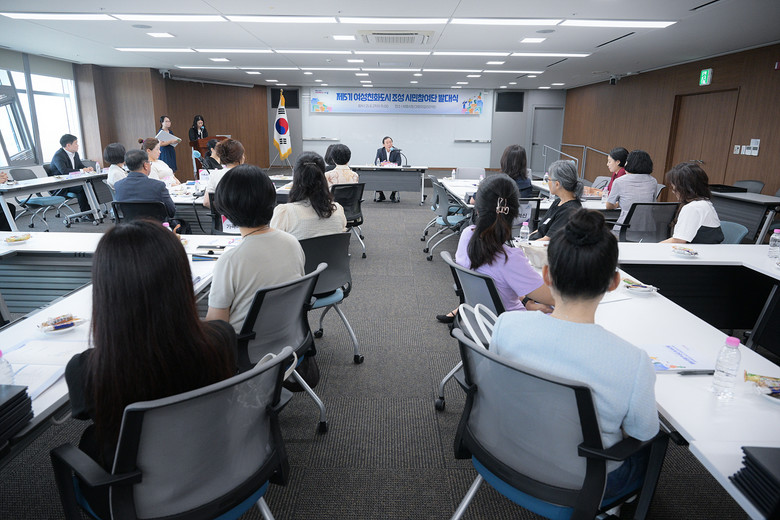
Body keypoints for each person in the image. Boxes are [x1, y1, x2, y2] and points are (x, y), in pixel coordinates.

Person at [64, 220, 236, 518]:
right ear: (182, 278)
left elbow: (83, 413)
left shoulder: (88, 369)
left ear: (106, 290)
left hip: (138, 499)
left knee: (90, 440)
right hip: (216, 468)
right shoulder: (222, 337)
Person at [489, 209, 659, 501]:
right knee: (651, 449)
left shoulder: (506, 325)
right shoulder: (633, 362)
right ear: (614, 282)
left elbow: (498, 389)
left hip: (507, 453)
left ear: (546, 275)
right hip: (580, 483)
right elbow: (643, 433)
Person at [436, 174, 555, 323]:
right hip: (510, 325)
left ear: (477, 209)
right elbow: (553, 299)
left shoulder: (467, 236)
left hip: (481, 321)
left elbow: (501, 285)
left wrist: (526, 302)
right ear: (516, 214)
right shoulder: (510, 258)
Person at [206, 165, 305, 331]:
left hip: (244, 344)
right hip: (288, 336)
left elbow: (216, 326)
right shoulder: (292, 242)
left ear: (226, 206)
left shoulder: (231, 260)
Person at [271, 152, 347, 240]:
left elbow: (273, 243)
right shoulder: (338, 210)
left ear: (295, 177)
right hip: (331, 249)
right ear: (323, 177)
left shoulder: (285, 213)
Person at [661, 162, 724, 244]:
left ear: (684, 187)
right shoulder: (704, 202)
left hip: (699, 251)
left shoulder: (693, 208)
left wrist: (650, 248)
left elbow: (678, 240)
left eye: (674, 187)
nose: (673, 190)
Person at [114, 148, 176, 218]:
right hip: (155, 224)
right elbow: (171, 212)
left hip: (129, 224)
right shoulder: (158, 185)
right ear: (145, 165)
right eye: (150, 163)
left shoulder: (118, 185)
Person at [606, 149, 658, 233]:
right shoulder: (653, 181)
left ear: (629, 163)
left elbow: (609, 205)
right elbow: (653, 204)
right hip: (647, 229)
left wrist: (617, 205)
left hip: (624, 229)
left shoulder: (619, 181)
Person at [531, 160, 583, 241]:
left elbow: (547, 239)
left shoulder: (569, 210)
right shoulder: (558, 202)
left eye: (548, 180)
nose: (548, 183)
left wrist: (523, 245)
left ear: (557, 184)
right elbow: (541, 229)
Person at [49, 133, 93, 213]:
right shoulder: (58, 155)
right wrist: (82, 170)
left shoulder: (75, 154)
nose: (78, 145)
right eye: (76, 143)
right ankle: (86, 213)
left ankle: (93, 210)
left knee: (91, 183)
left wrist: (87, 168)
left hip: (73, 182)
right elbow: (64, 171)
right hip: (62, 185)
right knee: (82, 187)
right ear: (68, 145)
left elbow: (80, 166)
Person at [203, 138, 245, 208]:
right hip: (242, 214)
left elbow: (206, 202)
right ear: (240, 157)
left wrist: (224, 210)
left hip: (222, 214)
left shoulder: (214, 174)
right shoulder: (247, 174)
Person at [373, 136, 401, 202]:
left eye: (390, 142)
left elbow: (399, 162)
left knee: (398, 175)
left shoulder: (396, 151)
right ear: (383, 144)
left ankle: (393, 195)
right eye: (387, 143)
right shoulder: (380, 151)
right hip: (382, 171)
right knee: (376, 175)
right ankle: (381, 195)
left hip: (393, 171)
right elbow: (376, 162)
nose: (389, 144)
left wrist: (390, 163)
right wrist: (381, 163)